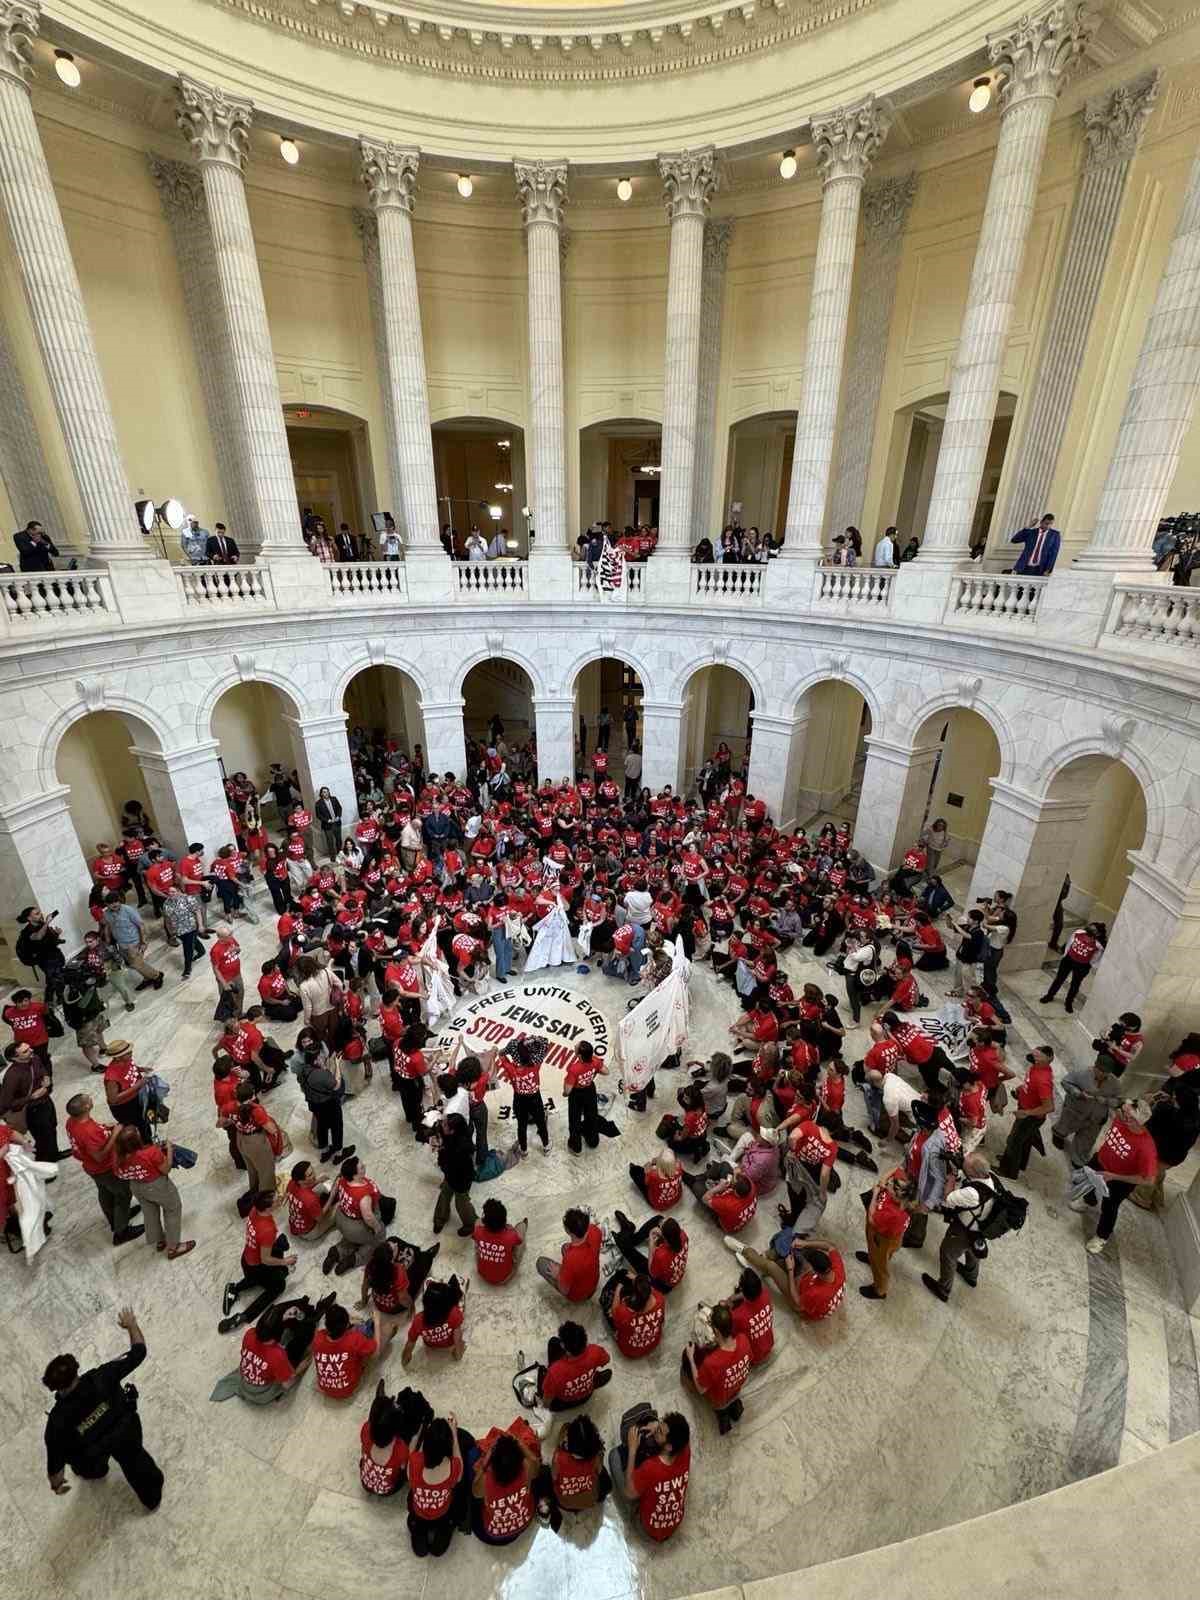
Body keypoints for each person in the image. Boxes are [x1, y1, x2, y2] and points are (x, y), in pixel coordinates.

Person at [43, 1307, 162, 1508]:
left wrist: (57, 1485)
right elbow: (139, 1352)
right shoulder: (103, 1376)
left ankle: (97, 1471)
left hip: (90, 1452)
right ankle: (152, 1498)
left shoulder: (56, 1423)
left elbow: (55, 1466)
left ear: (53, 1386)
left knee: (87, 1466)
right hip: (125, 1431)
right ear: (76, 1368)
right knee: (137, 1465)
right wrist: (131, 1325)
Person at [1075, 1100, 1159, 1254]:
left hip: (1120, 1180)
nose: (1120, 1114)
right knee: (1089, 1180)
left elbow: (1148, 1180)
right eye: (1122, 1110)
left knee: (1109, 1207)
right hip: (1100, 1161)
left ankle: (1101, 1237)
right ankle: (1088, 1200)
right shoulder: (1121, 1118)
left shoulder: (1146, 1148)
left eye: (1126, 1114)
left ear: (1136, 1120)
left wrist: (1113, 1176)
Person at [64, 1093, 143, 1245]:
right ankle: (121, 1232)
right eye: (88, 1099)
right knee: (123, 1194)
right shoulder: (87, 1131)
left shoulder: (72, 1121)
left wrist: (105, 1129)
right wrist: (114, 1134)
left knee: (105, 1192)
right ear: (86, 1107)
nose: (90, 1098)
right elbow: (99, 1156)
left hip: (92, 1169)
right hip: (104, 1169)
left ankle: (116, 1218)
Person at [922, 1151, 997, 1302]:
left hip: (964, 1229)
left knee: (948, 1253)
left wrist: (952, 1176)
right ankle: (971, 1274)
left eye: (966, 1166)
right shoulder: (990, 1176)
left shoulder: (972, 1193)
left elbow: (947, 1199)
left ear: (974, 1173)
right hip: (980, 1227)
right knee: (972, 1250)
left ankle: (943, 1288)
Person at [112, 1127, 195, 1258]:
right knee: (172, 1209)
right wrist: (169, 1150)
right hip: (157, 1186)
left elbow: (119, 1173)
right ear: (136, 1141)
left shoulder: (118, 1157)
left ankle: (160, 1240)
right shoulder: (151, 1152)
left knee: (150, 1213)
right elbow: (166, 1169)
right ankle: (174, 1247)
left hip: (136, 1186)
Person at [612, 1410, 690, 1541]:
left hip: (648, 1527)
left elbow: (629, 1492)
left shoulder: (651, 1467)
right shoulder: (685, 1450)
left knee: (613, 1456)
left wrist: (632, 1450)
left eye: (660, 1431)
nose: (657, 1429)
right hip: (674, 1522)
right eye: (660, 1425)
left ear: (669, 1447)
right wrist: (656, 1425)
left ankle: (632, 1510)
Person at [726, 1235, 846, 1320]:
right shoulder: (837, 1268)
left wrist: (790, 1270)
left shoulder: (816, 1293)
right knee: (793, 1247)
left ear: (816, 1272)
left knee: (772, 1267)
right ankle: (760, 1264)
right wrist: (805, 1243)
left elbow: (798, 1302)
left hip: (800, 1300)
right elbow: (830, 1246)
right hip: (807, 1284)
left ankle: (746, 1251)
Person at [682, 1303, 751, 1434]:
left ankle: (721, 1412)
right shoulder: (744, 1340)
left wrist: (691, 1359)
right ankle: (733, 1407)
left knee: (687, 1360)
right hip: (736, 1388)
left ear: (716, 1331)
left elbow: (701, 1389)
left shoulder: (712, 1362)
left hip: (718, 1397)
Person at [406, 1413, 468, 1557]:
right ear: (448, 1445)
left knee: (419, 1549)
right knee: (438, 1549)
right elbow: (459, 1471)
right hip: (443, 1513)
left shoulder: (414, 1463)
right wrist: (454, 1433)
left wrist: (426, 1435)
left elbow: (410, 1471)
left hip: (419, 1513)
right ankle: (444, 1532)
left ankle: (419, 1531)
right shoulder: (454, 1467)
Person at [1, 1040, 65, 1164]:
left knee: (52, 1127)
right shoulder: (12, 1076)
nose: (31, 1051)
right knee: (42, 1138)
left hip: (46, 1100)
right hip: (32, 1110)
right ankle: (44, 1164)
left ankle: (54, 1154)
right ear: (15, 1058)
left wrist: (46, 1077)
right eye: (25, 1051)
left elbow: (42, 1069)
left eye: (29, 1048)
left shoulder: (34, 1058)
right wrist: (31, 1097)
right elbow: (6, 1103)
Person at [997, 1046, 1056, 1179]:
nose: (1033, 1057)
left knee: (1014, 1142)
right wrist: (1020, 1089)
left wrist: (1027, 1113)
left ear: (1047, 1059)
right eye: (1033, 1054)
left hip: (1030, 1117)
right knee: (1025, 1141)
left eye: (1037, 1056)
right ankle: (1020, 1163)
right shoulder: (1036, 1067)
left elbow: (1049, 1107)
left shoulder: (1043, 1081)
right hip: (1026, 1109)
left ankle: (1008, 1170)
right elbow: (1029, 1083)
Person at [856, 1167, 914, 1300]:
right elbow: (896, 1169)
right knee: (874, 1252)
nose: (889, 1183)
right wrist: (883, 1181)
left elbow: (872, 1218)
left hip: (883, 1239)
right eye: (893, 1181)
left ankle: (880, 1290)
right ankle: (872, 1258)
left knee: (881, 1266)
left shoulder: (893, 1215)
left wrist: (875, 1194)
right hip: (881, 1232)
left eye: (892, 1186)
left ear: (898, 1196)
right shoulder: (904, 1187)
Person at [609, 1211, 688, 1293]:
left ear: (665, 1237)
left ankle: (624, 1235)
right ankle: (632, 1237)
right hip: (674, 1273)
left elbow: (651, 1271)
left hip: (662, 1285)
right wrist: (661, 1234)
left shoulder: (661, 1255)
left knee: (624, 1245)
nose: (660, 1224)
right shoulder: (683, 1235)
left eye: (660, 1227)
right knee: (658, 1218)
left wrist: (651, 1241)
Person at [311, 1301, 378, 1398]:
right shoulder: (355, 1339)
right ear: (347, 1325)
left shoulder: (318, 1338)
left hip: (325, 1388)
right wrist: (377, 1322)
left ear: (326, 1325)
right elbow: (374, 1349)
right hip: (348, 1388)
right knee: (369, 1331)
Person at [535, 1208, 602, 1300]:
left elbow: (564, 1290)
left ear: (567, 1230)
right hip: (593, 1281)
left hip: (580, 1295)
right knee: (565, 1247)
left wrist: (558, 1275)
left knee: (541, 1263)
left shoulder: (570, 1260)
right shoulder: (595, 1231)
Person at [402, 1277, 468, 1366]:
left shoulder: (418, 1320)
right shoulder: (454, 1313)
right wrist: (458, 1354)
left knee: (428, 1282)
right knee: (457, 1292)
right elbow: (458, 1338)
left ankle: (435, 1292)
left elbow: (410, 1344)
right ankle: (460, 1284)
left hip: (431, 1345)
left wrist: (404, 1361)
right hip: (449, 1343)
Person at [102, 897, 164, 991]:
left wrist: (143, 942)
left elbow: (141, 925)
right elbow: (108, 926)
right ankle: (147, 978)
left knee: (137, 964)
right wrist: (108, 940)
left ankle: (157, 975)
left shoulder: (128, 910)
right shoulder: (107, 913)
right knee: (133, 964)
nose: (114, 904)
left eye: (116, 901)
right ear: (107, 904)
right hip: (121, 944)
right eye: (111, 903)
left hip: (134, 943)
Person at [552, 1414, 611, 1513]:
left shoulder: (559, 1458)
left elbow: (554, 1477)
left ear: (568, 1444)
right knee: (606, 1482)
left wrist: (559, 1446)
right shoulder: (596, 1458)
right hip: (589, 1502)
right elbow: (600, 1471)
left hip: (564, 1504)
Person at [433, 1113, 478, 1237]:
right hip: (450, 1175)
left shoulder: (461, 1148)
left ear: (452, 1131)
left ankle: (471, 1224)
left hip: (461, 1179)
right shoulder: (451, 1135)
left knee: (462, 1204)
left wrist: (441, 1149)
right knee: (444, 1195)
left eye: (445, 1124)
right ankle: (440, 1219)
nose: (442, 1124)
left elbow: (447, 1162)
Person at [565, 1040, 607, 1153]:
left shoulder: (574, 1069)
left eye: (576, 1047)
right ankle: (593, 1141)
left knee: (574, 1120)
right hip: (590, 1091)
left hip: (576, 1094)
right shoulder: (595, 1060)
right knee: (592, 1115)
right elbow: (606, 1071)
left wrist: (564, 1094)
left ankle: (576, 1146)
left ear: (579, 1055)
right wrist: (593, 1072)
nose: (574, 1046)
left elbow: (568, 1090)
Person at [473, 1197, 527, 1286]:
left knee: (477, 1223)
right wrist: (510, 1229)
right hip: (504, 1278)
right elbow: (518, 1239)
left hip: (482, 1273)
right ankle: (524, 1224)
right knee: (521, 1227)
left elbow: (478, 1225)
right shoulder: (511, 1235)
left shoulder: (478, 1230)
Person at [1008, 512, 1060, 576]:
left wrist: (1048, 569)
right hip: (1024, 567)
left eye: (1051, 524)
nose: (1048, 526)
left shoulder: (1055, 535)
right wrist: (1028, 527)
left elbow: (1054, 554)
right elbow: (1014, 540)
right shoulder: (1031, 532)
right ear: (1041, 522)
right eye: (1046, 523)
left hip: (1040, 569)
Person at [315, 787, 343, 857]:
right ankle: (333, 855)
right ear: (321, 794)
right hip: (327, 826)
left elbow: (339, 808)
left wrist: (338, 816)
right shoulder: (318, 803)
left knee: (339, 839)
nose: (326, 793)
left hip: (337, 823)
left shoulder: (334, 799)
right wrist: (327, 820)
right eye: (324, 792)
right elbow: (318, 815)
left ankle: (340, 853)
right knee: (330, 841)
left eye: (327, 791)